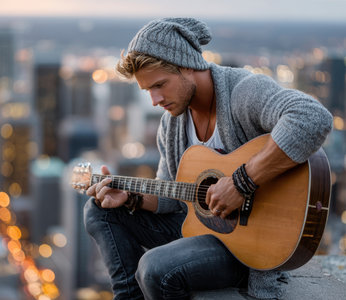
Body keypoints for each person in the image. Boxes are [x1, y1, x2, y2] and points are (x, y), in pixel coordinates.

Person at [83, 17, 333, 299]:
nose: (155, 100)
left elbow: (312, 117)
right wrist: (131, 197)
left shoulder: (243, 92)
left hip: (248, 246)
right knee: (98, 210)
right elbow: (172, 196)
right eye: (148, 90)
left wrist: (241, 183)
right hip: (200, 230)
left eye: (160, 85)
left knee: (154, 268)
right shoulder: (172, 124)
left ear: (187, 65)